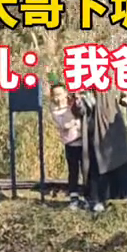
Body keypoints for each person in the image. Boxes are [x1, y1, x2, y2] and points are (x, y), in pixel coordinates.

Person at [79, 89, 127, 213]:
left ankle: (125, 196)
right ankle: (97, 199)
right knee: (95, 163)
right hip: (92, 129)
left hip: (111, 126)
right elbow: (82, 109)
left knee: (120, 160)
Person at [49, 81, 83, 209]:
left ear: (65, 93)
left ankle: (88, 196)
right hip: (71, 143)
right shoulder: (54, 109)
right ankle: (74, 197)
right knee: (73, 171)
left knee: (87, 170)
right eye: (55, 95)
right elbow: (64, 125)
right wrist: (73, 120)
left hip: (83, 140)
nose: (57, 98)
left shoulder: (73, 102)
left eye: (60, 94)